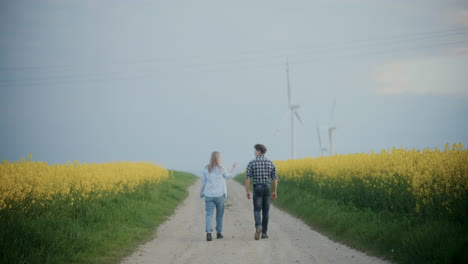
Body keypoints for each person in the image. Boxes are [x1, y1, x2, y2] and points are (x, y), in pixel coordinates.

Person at [200, 151, 238, 241]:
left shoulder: (206, 169)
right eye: (220, 157)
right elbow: (229, 176)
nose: (221, 158)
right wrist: (234, 167)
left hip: (209, 195)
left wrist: (201, 193)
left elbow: (204, 183)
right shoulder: (222, 169)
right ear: (218, 158)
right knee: (219, 215)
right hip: (219, 195)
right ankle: (219, 233)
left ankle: (209, 234)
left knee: (209, 214)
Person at [245, 144, 278, 240]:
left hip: (257, 188)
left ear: (259, 151)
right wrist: (274, 191)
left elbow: (247, 178)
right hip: (267, 188)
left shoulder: (252, 163)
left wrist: (247, 191)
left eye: (255, 151)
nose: (254, 153)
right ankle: (264, 233)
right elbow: (275, 179)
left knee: (257, 210)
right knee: (266, 211)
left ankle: (258, 225)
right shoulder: (270, 163)